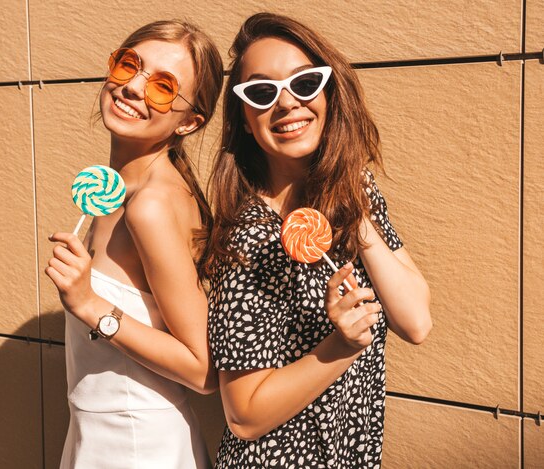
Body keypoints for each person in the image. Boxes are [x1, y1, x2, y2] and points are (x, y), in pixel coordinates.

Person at [202, 12, 432, 468]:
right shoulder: (251, 239)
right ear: (246, 119)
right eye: (263, 92)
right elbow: (244, 415)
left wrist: (355, 215)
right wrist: (339, 347)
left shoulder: (358, 190)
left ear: (327, 92)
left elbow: (417, 323)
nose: (287, 103)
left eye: (304, 83)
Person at [45, 20, 223, 469]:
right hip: (98, 435)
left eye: (163, 87)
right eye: (129, 66)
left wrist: (88, 304)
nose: (132, 89)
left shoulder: (151, 206)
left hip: (136, 445)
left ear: (189, 123)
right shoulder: (121, 188)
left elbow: (203, 371)